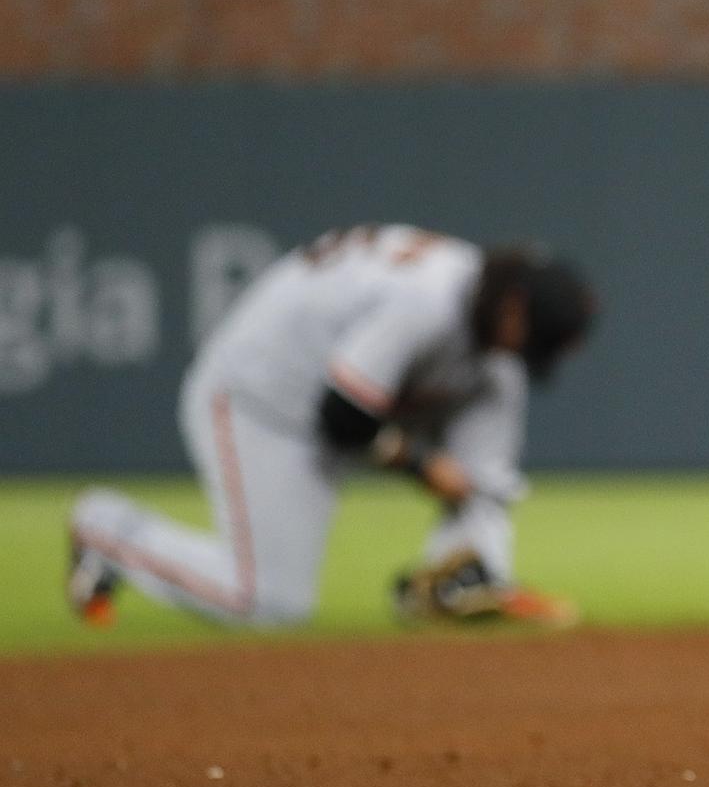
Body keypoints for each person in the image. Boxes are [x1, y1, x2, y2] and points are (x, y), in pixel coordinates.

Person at [67, 225, 594, 630]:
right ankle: (108, 531)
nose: (525, 352)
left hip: (356, 396)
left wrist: (466, 483)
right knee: (268, 601)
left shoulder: (485, 324)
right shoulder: (426, 301)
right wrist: (421, 465)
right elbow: (341, 416)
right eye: (530, 337)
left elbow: (472, 448)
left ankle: (464, 576)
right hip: (263, 401)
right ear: (513, 306)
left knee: (499, 387)